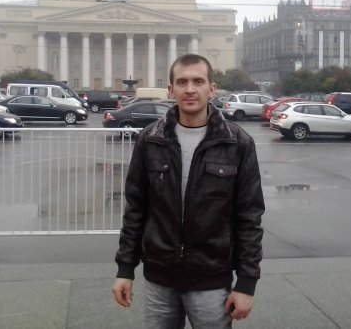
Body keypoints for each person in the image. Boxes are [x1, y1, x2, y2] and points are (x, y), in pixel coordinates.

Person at [112, 54, 265, 328]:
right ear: (171, 90)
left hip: (211, 280)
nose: (190, 89)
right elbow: (136, 209)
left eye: (198, 81)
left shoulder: (237, 143)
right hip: (159, 279)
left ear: (212, 88)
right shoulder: (150, 139)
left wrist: (246, 283)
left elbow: (249, 218)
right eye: (182, 82)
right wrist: (125, 269)